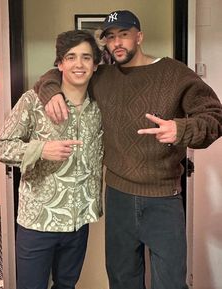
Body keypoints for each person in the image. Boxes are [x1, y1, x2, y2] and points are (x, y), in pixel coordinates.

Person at [34, 10, 222, 289]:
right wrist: (52, 92)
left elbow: (214, 116)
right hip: (118, 196)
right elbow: (54, 73)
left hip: (163, 199)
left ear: (139, 36)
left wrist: (181, 130)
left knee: (170, 282)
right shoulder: (103, 77)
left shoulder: (174, 73)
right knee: (122, 279)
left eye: (124, 34)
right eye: (110, 37)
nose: (117, 43)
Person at [0, 30, 104, 289]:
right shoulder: (32, 101)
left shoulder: (100, 106)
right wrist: (40, 149)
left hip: (79, 221)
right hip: (37, 222)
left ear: (95, 65)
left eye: (86, 57)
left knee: (66, 285)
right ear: (60, 64)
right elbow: (1, 147)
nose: (79, 64)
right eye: (71, 57)